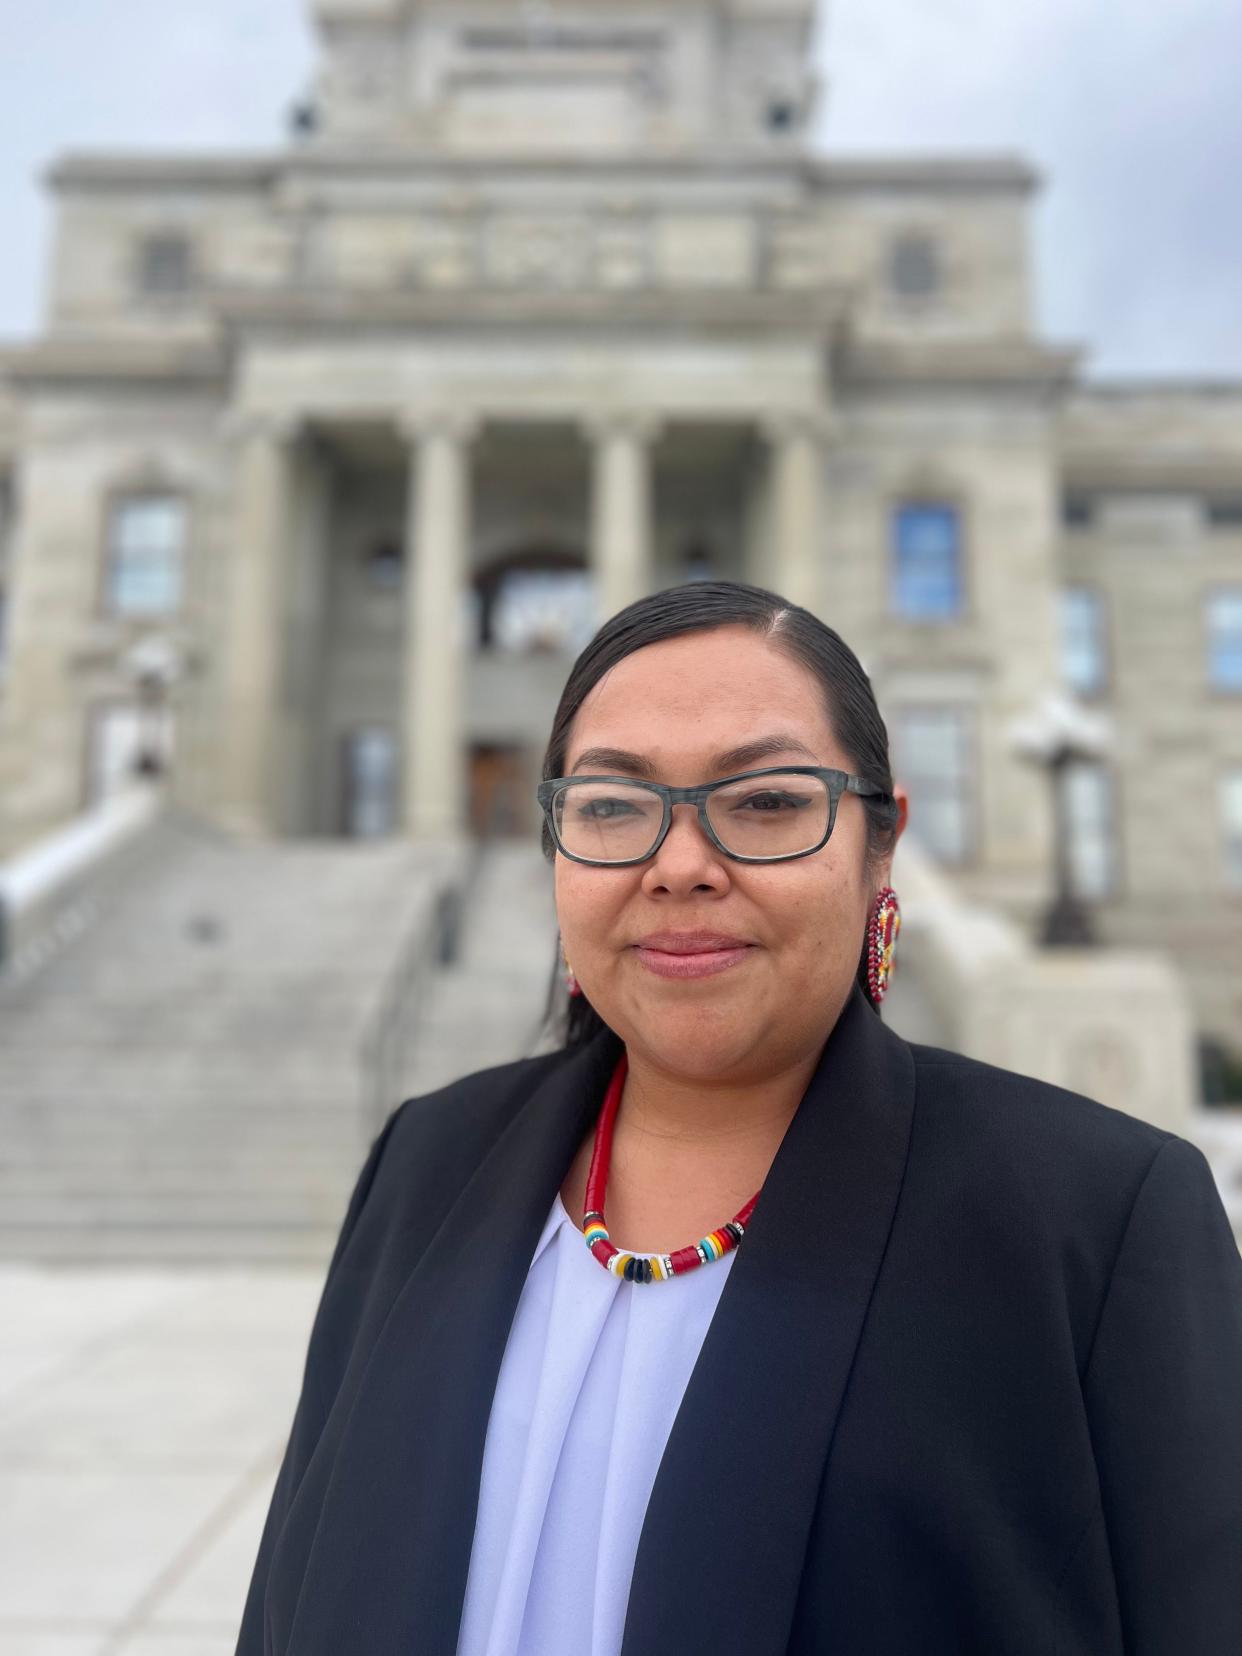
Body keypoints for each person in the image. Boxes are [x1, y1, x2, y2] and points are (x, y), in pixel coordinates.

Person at [235, 580, 1242, 1656]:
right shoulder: (423, 1163)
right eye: (612, 805)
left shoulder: (1094, 1222)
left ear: (881, 840)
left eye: (765, 801)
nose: (678, 868)